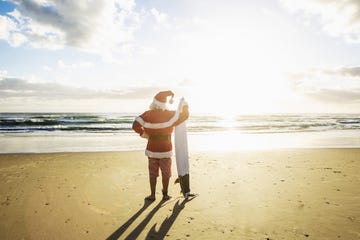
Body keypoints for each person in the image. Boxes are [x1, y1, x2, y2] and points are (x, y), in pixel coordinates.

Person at [132, 90, 189, 201]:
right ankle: (165, 194)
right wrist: (185, 104)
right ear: (165, 104)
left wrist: (144, 134)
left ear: (153, 103)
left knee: (153, 173)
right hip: (166, 149)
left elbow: (135, 125)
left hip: (151, 149)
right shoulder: (169, 114)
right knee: (166, 174)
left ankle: (152, 195)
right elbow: (185, 115)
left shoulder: (147, 114)